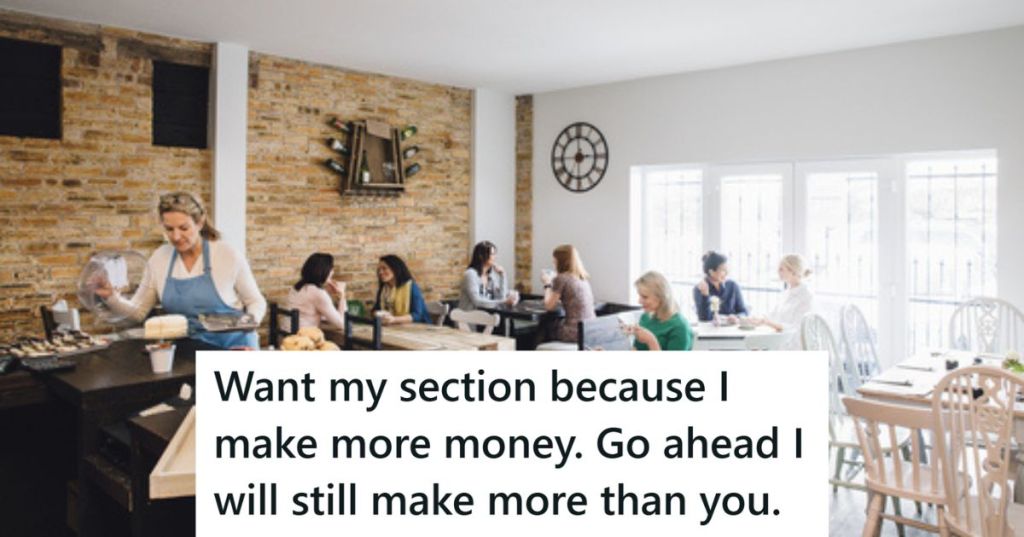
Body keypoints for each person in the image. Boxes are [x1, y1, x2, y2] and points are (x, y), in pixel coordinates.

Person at [96, 192, 266, 348]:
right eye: (169, 229)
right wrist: (111, 297)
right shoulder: (159, 258)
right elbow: (139, 311)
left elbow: (256, 301)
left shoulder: (227, 255)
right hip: (188, 350)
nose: (176, 237)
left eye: (184, 228)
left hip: (235, 348)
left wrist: (248, 327)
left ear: (200, 222)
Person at [626, 271, 693, 351]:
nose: (639, 301)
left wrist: (651, 341)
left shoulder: (680, 327)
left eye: (645, 297)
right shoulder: (645, 317)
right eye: (639, 296)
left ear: (661, 297)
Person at [541, 244, 596, 343]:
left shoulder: (561, 278)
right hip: (589, 329)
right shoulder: (582, 278)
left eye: (554, 261)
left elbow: (548, 306)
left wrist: (547, 284)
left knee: (543, 326)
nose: (553, 263)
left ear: (560, 261)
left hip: (574, 332)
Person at [750, 254, 814, 336]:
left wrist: (766, 322)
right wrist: (758, 319)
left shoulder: (806, 296)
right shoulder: (787, 293)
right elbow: (774, 315)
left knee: (754, 343)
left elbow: (796, 327)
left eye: (781, 269)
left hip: (794, 342)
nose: (778, 272)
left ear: (793, 272)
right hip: (781, 337)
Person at [287, 253, 348, 331]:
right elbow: (342, 325)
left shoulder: (297, 287)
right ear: (323, 271)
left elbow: (315, 313)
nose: (332, 272)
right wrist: (342, 295)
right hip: (302, 339)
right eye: (331, 269)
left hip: (287, 337)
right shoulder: (318, 293)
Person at [373, 254, 430, 325]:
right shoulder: (384, 289)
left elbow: (417, 315)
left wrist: (394, 319)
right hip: (394, 328)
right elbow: (376, 309)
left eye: (384, 268)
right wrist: (377, 314)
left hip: (418, 329)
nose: (380, 272)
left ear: (395, 269)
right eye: (379, 270)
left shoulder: (411, 286)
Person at [459, 241, 516, 310]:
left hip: (486, 316)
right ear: (481, 256)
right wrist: (504, 302)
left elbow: (501, 297)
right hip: (469, 317)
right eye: (493, 254)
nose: (495, 257)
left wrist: (502, 275)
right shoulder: (470, 275)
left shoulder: (491, 276)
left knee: (500, 317)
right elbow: (477, 301)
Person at [693, 251, 748, 322]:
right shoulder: (699, 289)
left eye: (727, 269)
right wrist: (705, 296)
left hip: (732, 330)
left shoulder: (733, 286)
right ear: (711, 272)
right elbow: (704, 319)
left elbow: (743, 311)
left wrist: (737, 317)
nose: (727, 273)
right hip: (710, 331)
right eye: (723, 270)